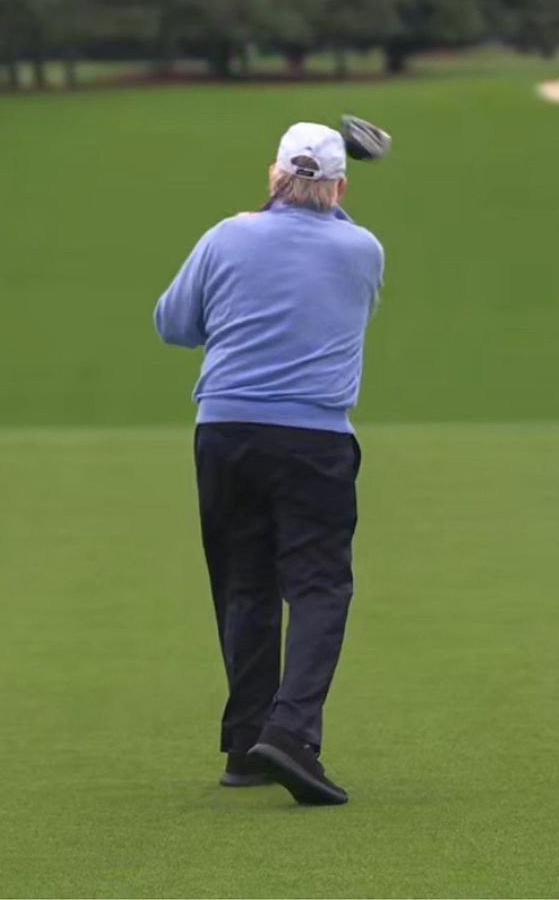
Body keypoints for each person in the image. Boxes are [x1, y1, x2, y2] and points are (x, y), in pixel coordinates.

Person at [154, 122, 385, 807]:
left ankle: (246, 744)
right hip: (312, 440)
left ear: (273, 174)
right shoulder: (363, 249)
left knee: (245, 585)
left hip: (224, 432)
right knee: (317, 586)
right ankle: (289, 732)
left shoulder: (227, 235)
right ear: (339, 186)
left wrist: (241, 245)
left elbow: (173, 324)